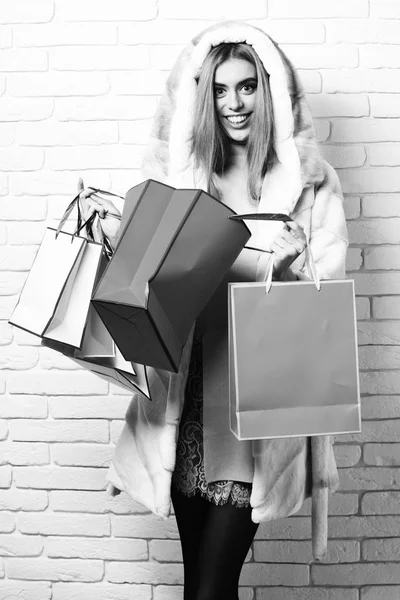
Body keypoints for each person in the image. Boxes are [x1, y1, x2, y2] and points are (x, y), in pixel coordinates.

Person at [79, 21, 348, 600]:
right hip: (187, 404)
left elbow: (325, 303)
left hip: (255, 417)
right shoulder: (182, 180)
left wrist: (296, 268)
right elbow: (150, 286)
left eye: (247, 87)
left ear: (268, 90)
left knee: (210, 590)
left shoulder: (310, 188)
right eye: (221, 90)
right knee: (201, 590)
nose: (234, 103)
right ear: (206, 97)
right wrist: (115, 237)